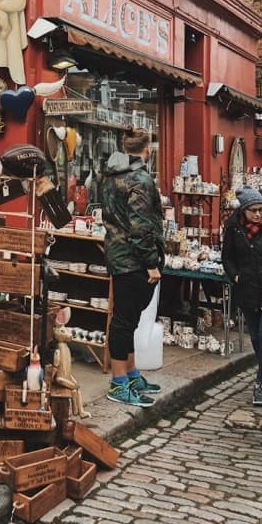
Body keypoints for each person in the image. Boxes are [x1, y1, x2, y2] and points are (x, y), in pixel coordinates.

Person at [100, 127, 164, 407]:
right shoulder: (140, 179)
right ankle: (118, 383)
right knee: (125, 322)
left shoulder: (110, 176)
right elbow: (140, 227)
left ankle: (131, 375)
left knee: (128, 320)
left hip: (118, 254)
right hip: (134, 260)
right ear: (147, 149)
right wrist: (151, 263)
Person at [222, 185, 262, 406]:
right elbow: (227, 257)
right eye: (253, 210)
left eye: (260, 209)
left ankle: (261, 384)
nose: (258, 214)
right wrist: (236, 276)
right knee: (257, 340)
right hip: (248, 291)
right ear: (243, 210)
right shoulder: (233, 229)